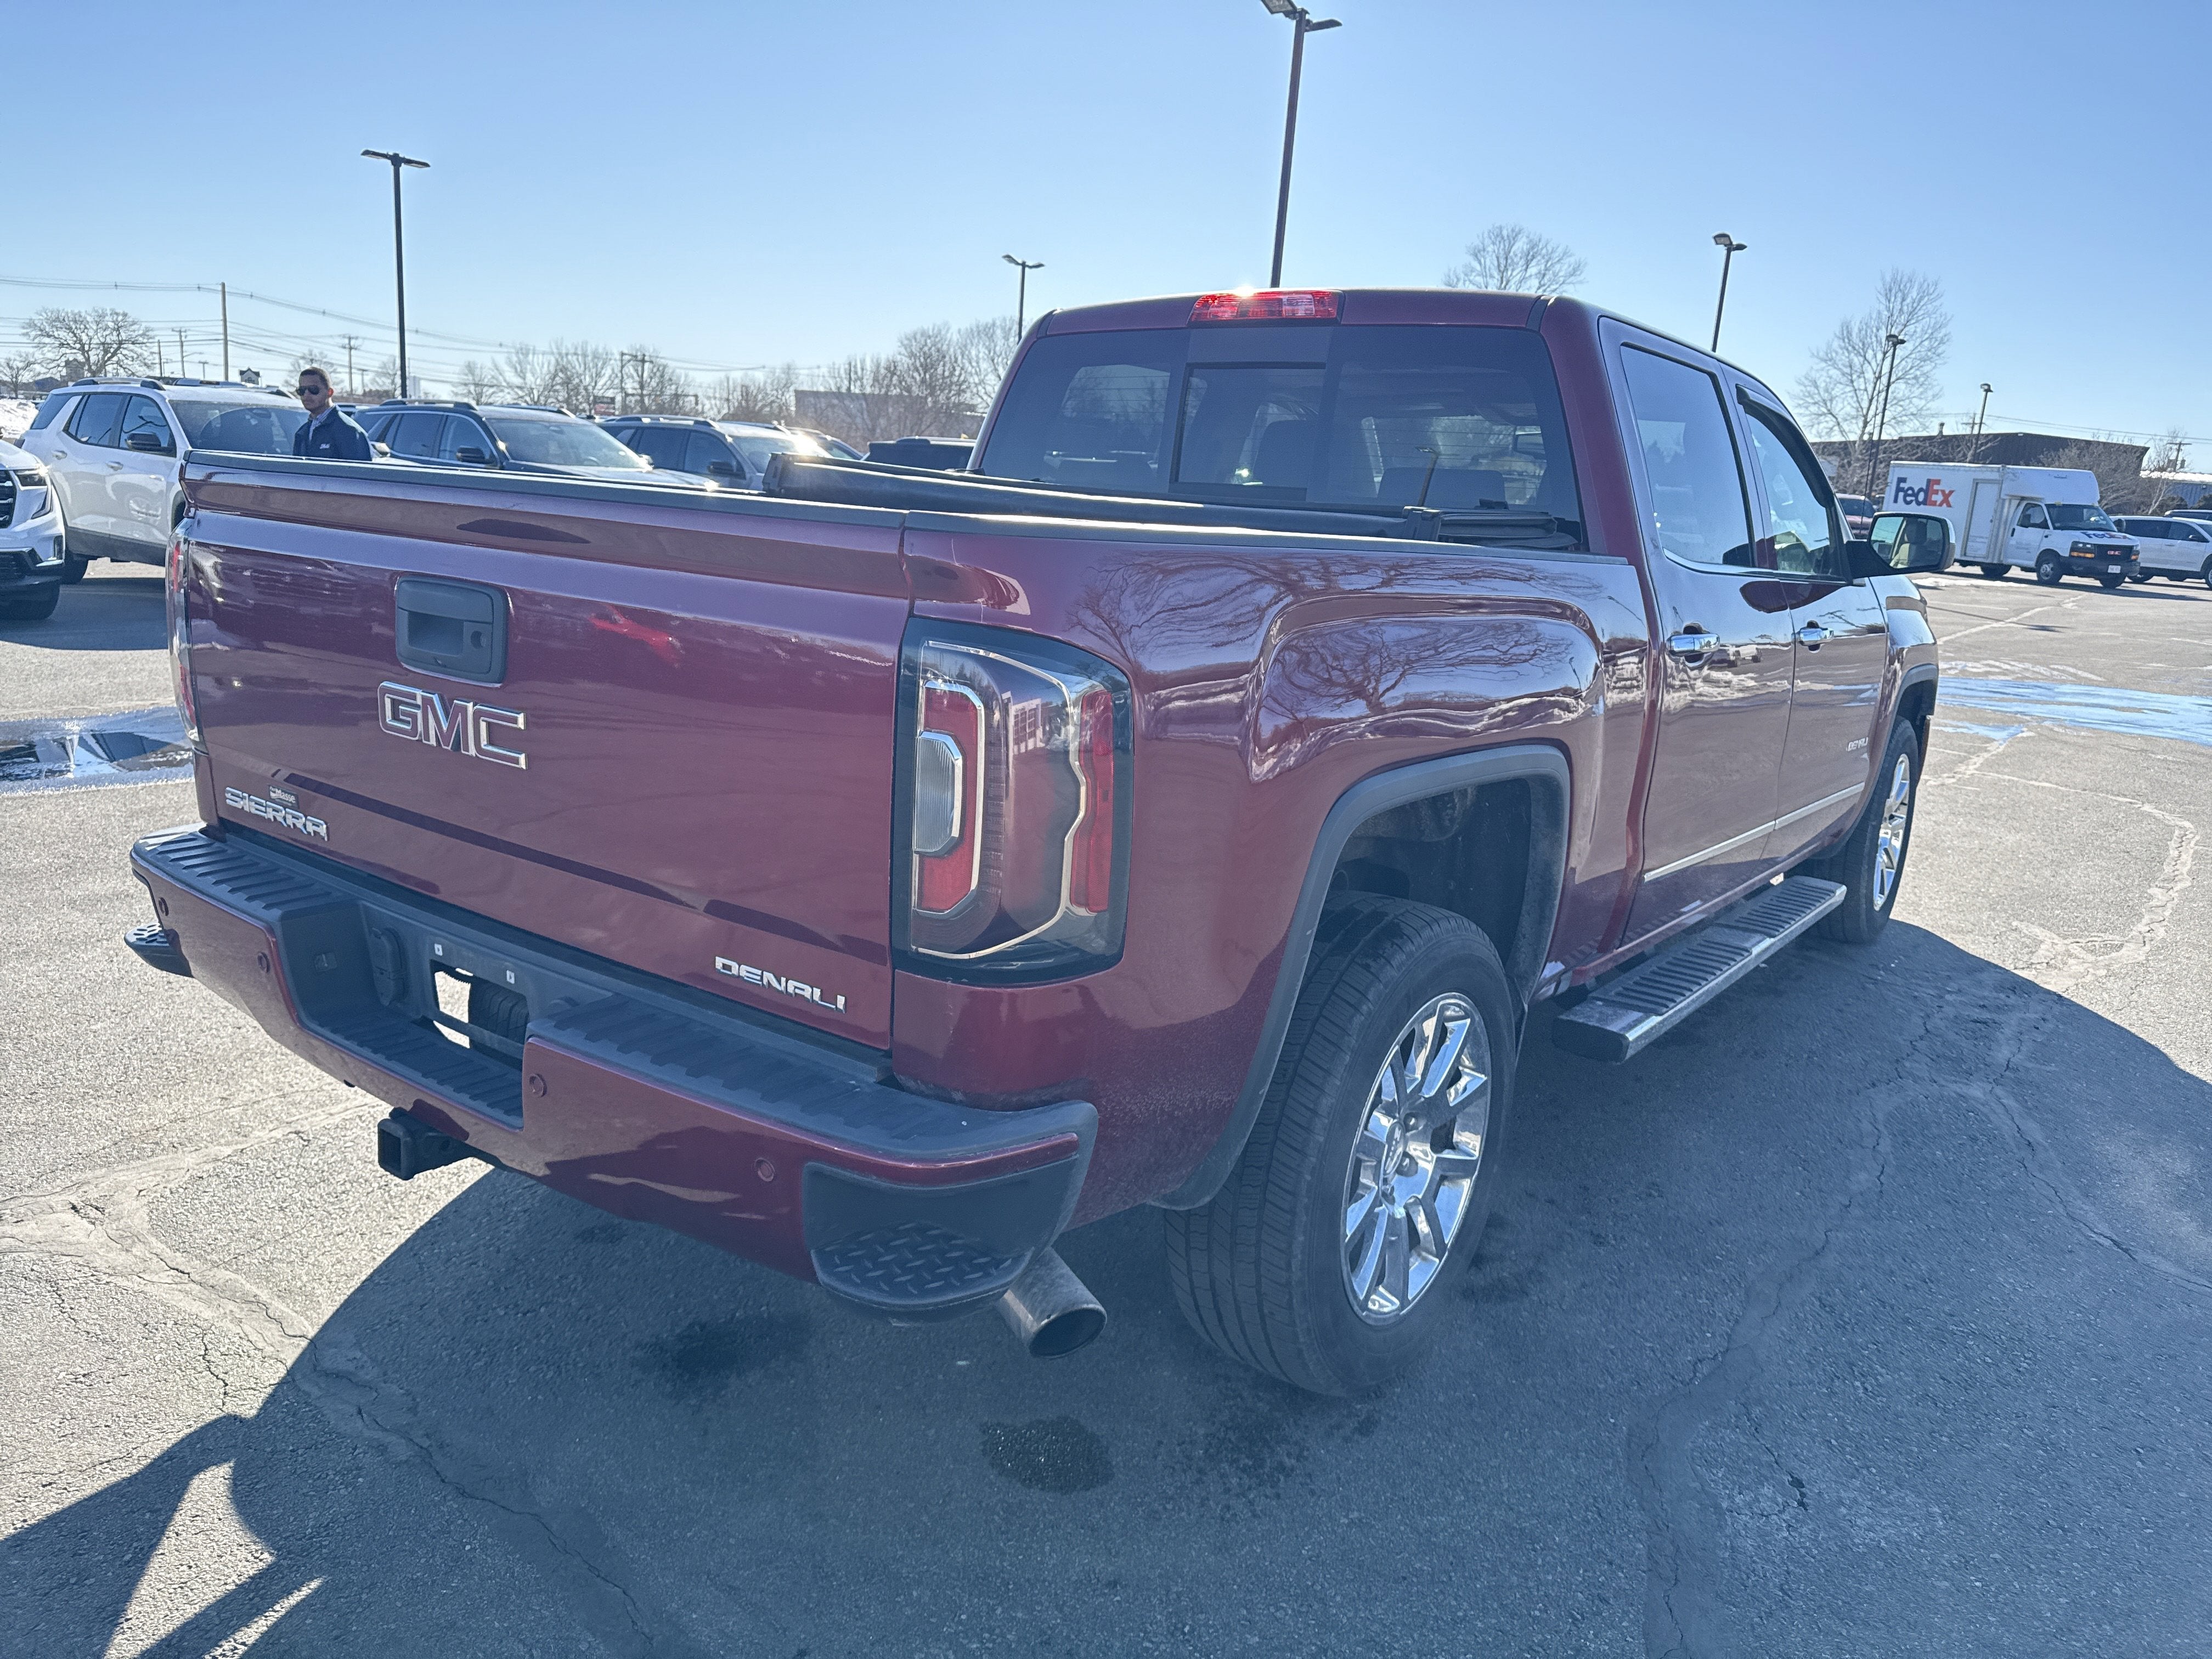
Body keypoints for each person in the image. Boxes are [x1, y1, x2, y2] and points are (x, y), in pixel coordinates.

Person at [291, 367, 375, 461]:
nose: (306, 395)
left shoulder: (349, 431)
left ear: (330, 392)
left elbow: (361, 472)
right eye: (302, 391)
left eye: (313, 389)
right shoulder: (302, 433)